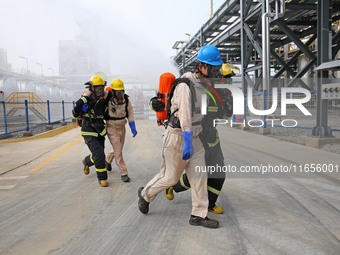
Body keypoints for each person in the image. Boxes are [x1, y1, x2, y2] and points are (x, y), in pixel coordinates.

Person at [138, 45, 223, 229]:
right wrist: (186, 142)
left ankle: (198, 215)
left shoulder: (204, 84)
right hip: (178, 136)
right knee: (170, 178)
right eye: (213, 67)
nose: (216, 71)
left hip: (196, 136)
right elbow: (184, 114)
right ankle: (145, 194)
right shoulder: (185, 85)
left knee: (200, 176)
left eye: (217, 67)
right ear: (201, 66)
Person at [150, 62, 235, 214]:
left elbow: (225, 115)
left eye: (229, 79)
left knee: (218, 172)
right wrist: (154, 103)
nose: (227, 82)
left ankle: (210, 204)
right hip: (195, 136)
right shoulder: (196, 85)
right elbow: (172, 98)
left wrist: (228, 102)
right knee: (194, 177)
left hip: (210, 136)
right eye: (225, 78)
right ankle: (172, 186)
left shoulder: (223, 94)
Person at [72, 74, 109, 187]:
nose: (99, 90)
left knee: (99, 154)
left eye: (101, 88)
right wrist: (83, 104)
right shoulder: (86, 98)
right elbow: (75, 112)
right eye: (97, 88)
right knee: (99, 154)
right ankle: (102, 178)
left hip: (100, 130)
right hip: (88, 129)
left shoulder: (104, 99)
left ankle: (87, 162)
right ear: (91, 88)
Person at [105, 78, 137, 182]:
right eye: (118, 92)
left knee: (117, 150)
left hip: (122, 128)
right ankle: (124, 173)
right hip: (111, 128)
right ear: (113, 91)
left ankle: (107, 160)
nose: (120, 94)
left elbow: (130, 112)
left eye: (121, 91)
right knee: (118, 152)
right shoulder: (107, 99)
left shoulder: (126, 100)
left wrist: (132, 125)